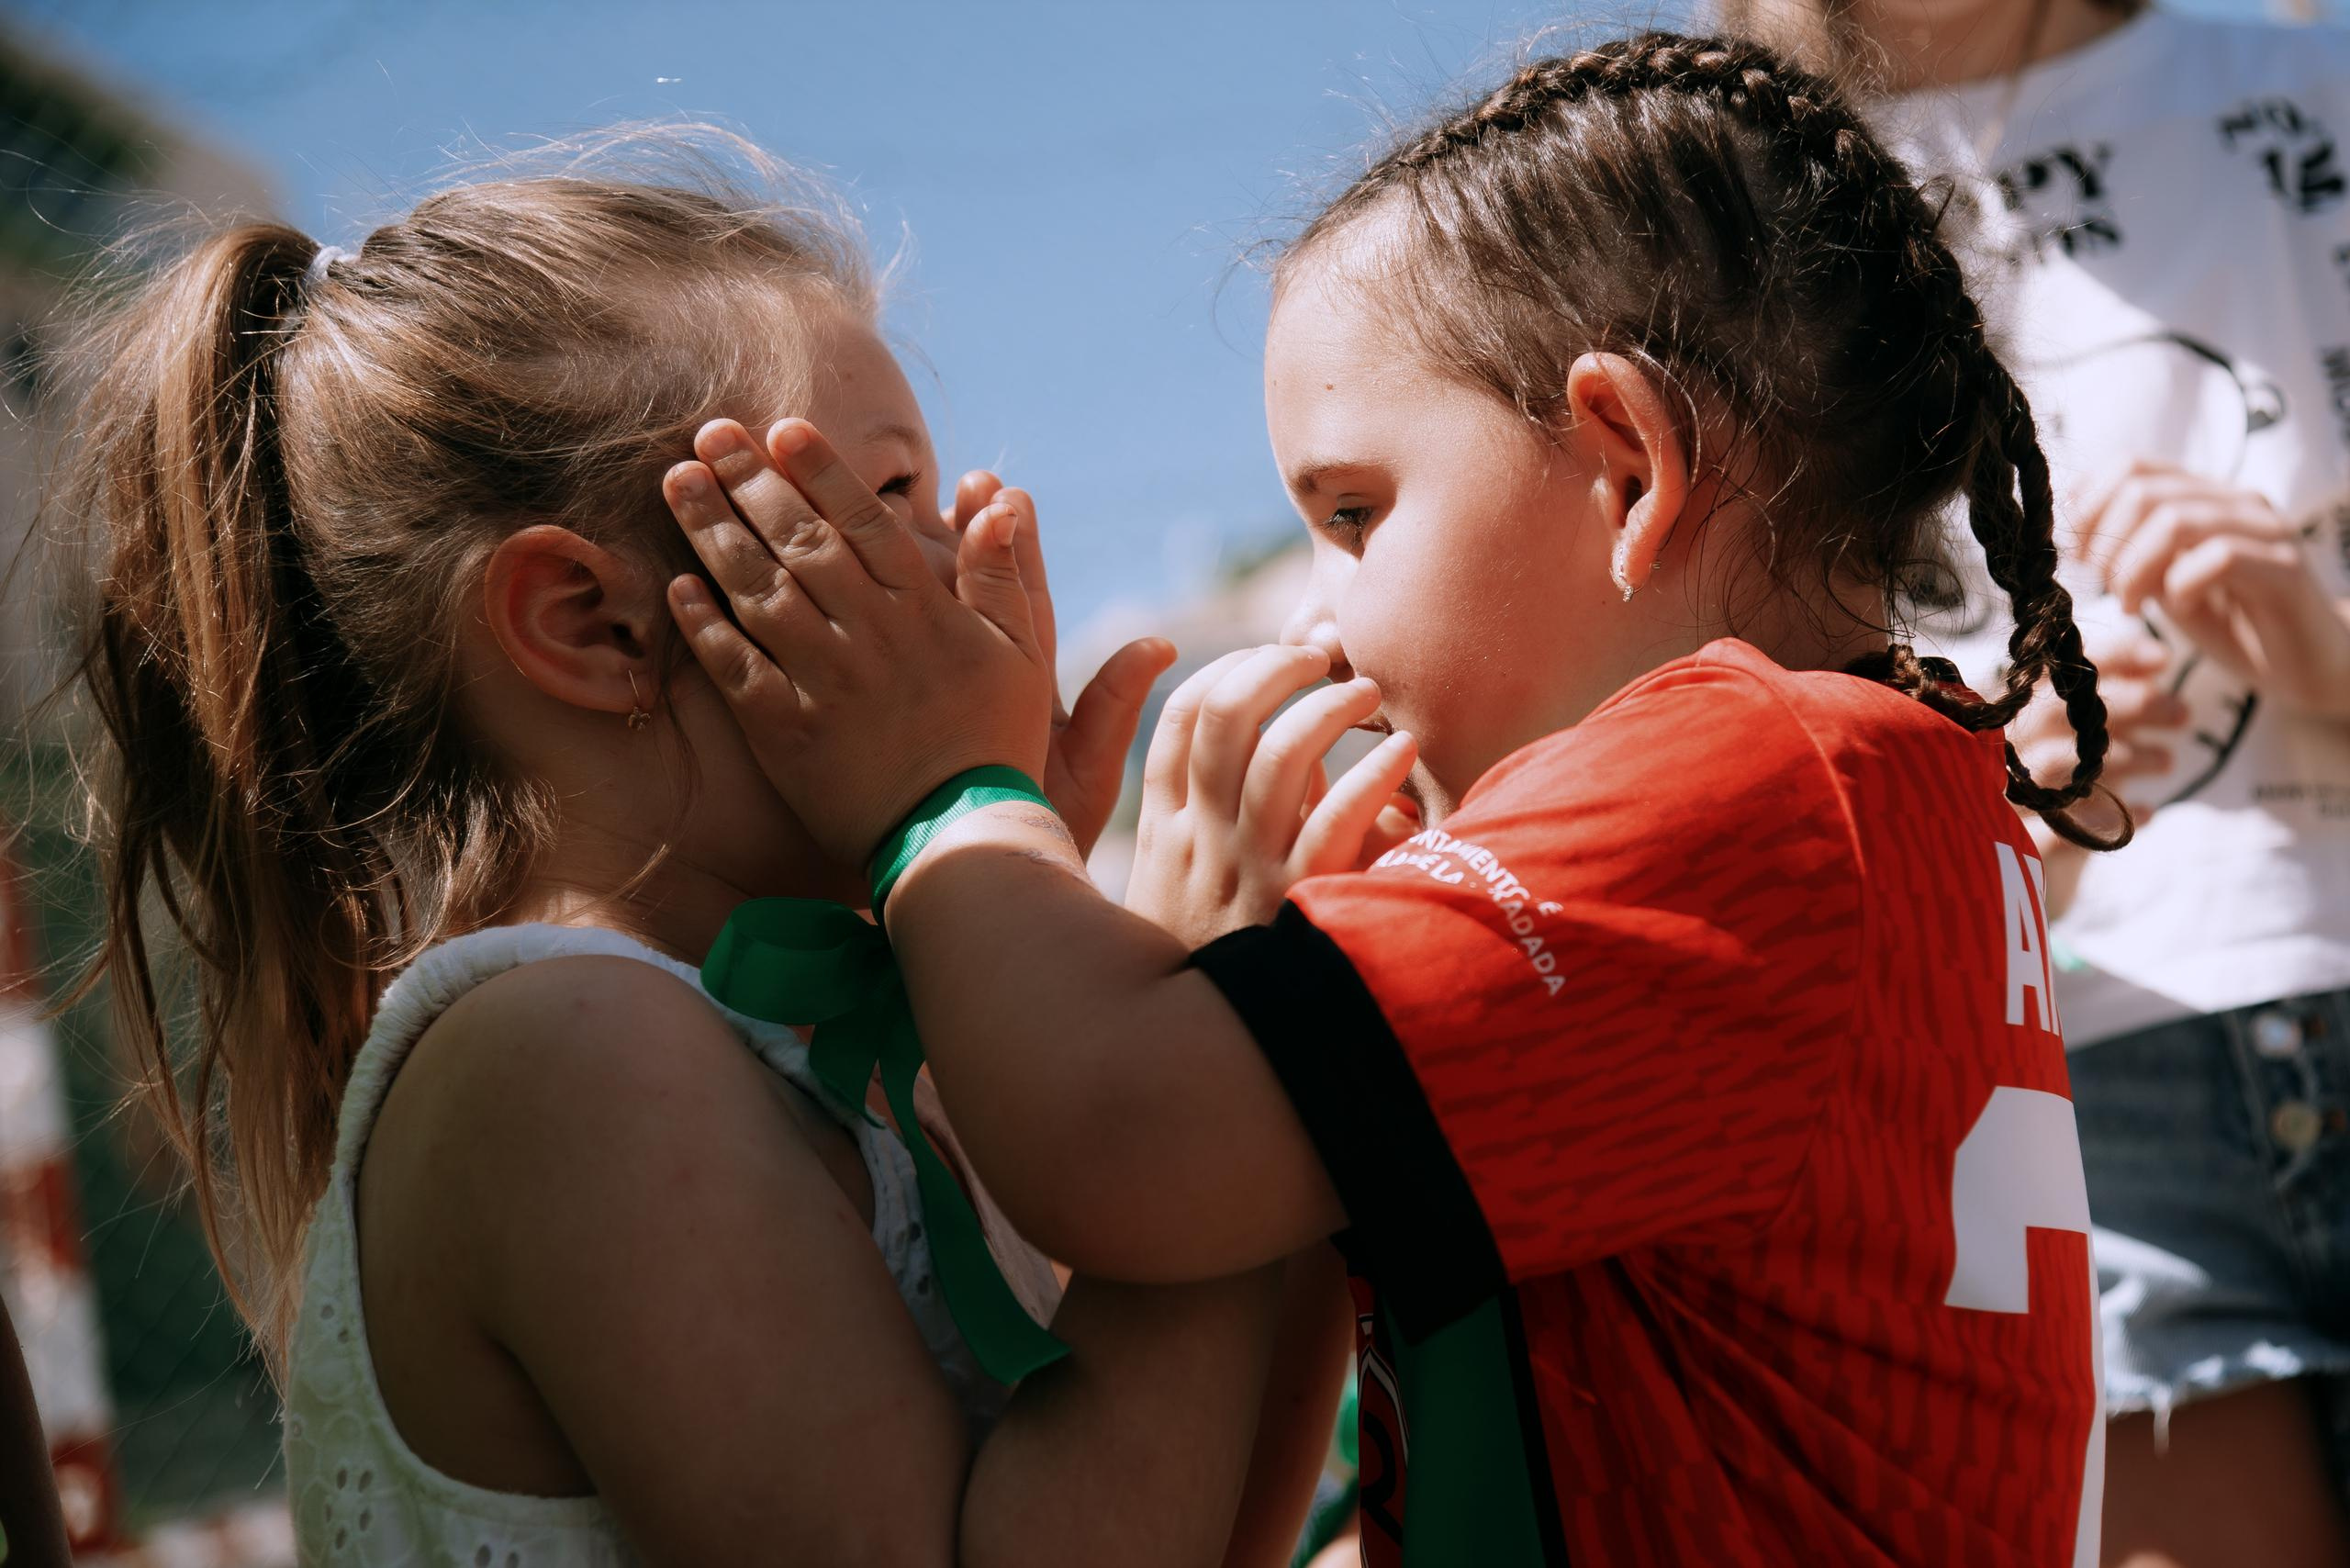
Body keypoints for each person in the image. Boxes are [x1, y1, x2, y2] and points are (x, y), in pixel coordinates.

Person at [659, 32, 2123, 1566]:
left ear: (1628, 465)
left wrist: (942, 787)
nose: (1314, 619)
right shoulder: (1880, 788)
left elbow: (1119, 1141)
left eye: (1354, 514)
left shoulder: (1742, 780)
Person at [55, 134, 1337, 1565]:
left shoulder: (858, 1058)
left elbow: (1200, 1537)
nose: (972, 564)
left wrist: (1215, 1068)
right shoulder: (564, 1053)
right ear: (595, 627)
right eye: (890, 504)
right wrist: (1170, 1075)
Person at [1726, 0, 2350, 1558]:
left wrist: (2329, 656)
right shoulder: (1726, 204)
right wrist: (1968, 806)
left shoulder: (2316, 87)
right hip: (2047, 1085)